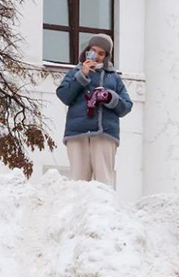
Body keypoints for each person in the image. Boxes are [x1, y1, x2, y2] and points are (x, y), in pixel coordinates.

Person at [56, 33, 133, 186]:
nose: (96, 56)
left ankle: (104, 209)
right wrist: (82, 75)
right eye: (93, 50)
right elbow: (64, 95)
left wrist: (110, 98)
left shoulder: (114, 78)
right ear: (87, 51)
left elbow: (126, 106)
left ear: (106, 56)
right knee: (78, 182)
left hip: (104, 133)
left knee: (104, 182)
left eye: (101, 53)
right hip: (78, 133)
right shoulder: (74, 73)